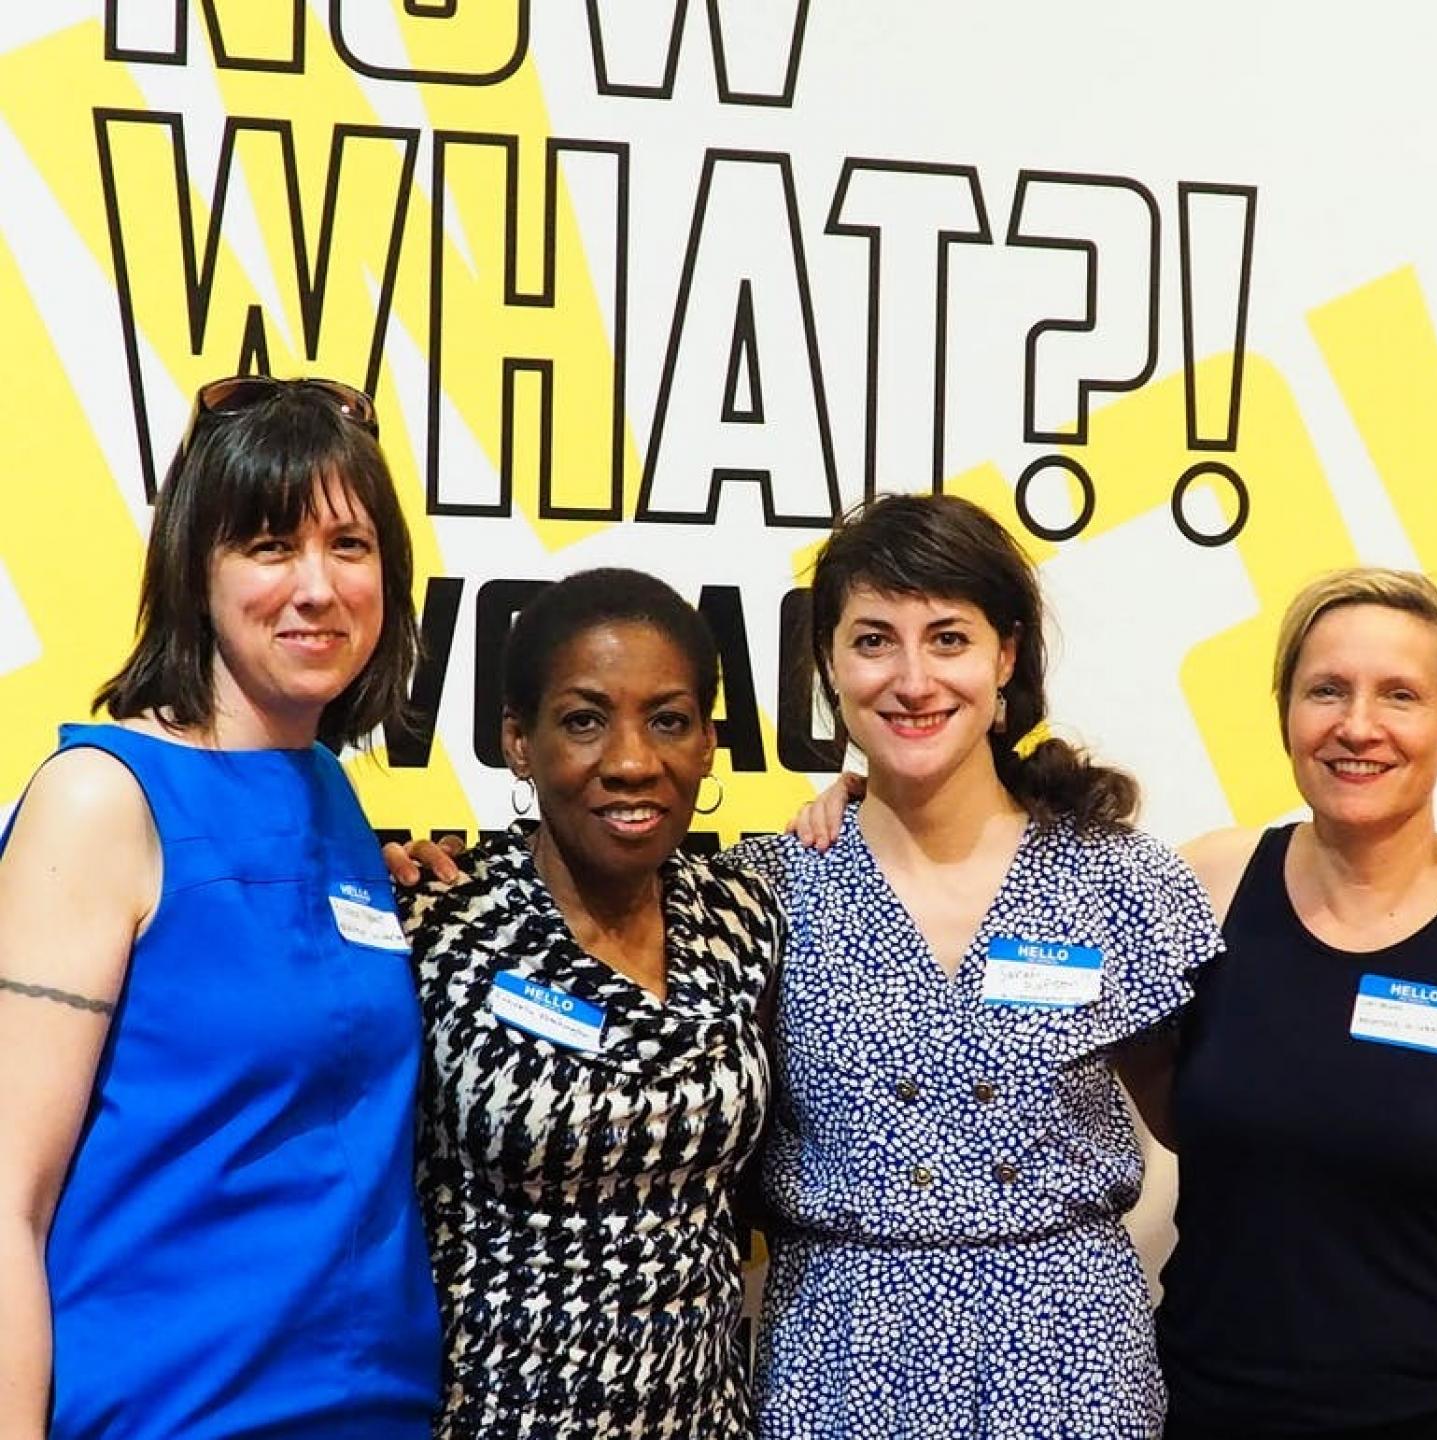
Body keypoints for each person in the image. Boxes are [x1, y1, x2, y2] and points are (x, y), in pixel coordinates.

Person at [0, 375, 440, 1437]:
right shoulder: (102, 799)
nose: (317, 587)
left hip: (372, 1411)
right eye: (269, 545)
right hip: (167, 1414)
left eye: (349, 546)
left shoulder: (328, 792)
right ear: (195, 569)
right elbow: (7, 1195)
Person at [732, 493, 1222, 1439]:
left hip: (1070, 1360)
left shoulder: (1116, 878)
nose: (913, 680)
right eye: (874, 640)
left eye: (948, 638)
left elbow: (1216, 1125)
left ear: (1006, 657)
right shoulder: (765, 890)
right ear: (828, 665)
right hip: (838, 1359)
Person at [1154, 567, 1437, 1440]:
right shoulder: (1203, 884)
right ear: (1286, 715)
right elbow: (1009, 886)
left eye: (1400, 696)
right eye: (1326, 691)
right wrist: (873, 805)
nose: (1358, 727)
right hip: (1220, 1406)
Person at [398, 569, 782, 1437]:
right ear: (518, 742)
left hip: (704, 1415)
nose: (633, 761)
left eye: (669, 720)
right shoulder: (438, 922)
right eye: (583, 720)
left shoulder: (743, 915)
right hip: (489, 1413)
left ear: (710, 742)